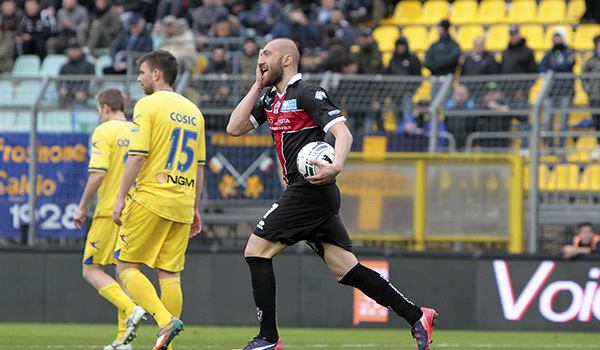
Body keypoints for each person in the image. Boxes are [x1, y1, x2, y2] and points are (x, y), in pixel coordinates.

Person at [226, 37, 438, 350]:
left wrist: (336, 165)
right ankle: (417, 315)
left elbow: (343, 132)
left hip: (309, 190)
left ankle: (268, 338)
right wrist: (256, 86)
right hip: (313, 196)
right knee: (346, 269)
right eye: (259, 53)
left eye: (267, 54)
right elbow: (234, 128)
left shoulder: (307, 93)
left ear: (287, 60)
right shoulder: (270, 97)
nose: (260, 58)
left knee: (256, 251)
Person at [112, 50, 205, 350]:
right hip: (182, 202)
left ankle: (165, 321)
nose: (138, 79)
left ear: (156, 74)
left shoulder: (148, 104)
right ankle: (168, 345)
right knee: (169, 274)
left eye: (141, 72)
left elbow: (138, 154)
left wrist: (120, 197)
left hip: (152, 196)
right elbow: (199, 165)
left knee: (125, 266)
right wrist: (195, 208)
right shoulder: (194, 111)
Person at [73, 88, 147, 350]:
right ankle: (122, 340)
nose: (98, 114)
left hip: (108, 211)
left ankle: (130, 308)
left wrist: (82, 206)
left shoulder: (104, 131)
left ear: (104, 107)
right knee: (124, 272)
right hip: (136, 212)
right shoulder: (136, 129)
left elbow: (97, 173)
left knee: (91, 270)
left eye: (97, 109)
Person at [539, 26, 575, 148]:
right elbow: (541, 66)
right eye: (555, 36)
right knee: (548, 120)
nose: (557, 39)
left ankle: (561, 146)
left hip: (566, 91)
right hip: (551, 92)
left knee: (563, 121)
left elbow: (566, 65)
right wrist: (554, 66)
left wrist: (552, 67)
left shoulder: (570, 51)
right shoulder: (549, 53)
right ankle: (550, 146)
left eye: (559, 36)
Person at [424, 19, 461, 99]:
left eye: (440, 28)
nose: (438, 30)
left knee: (447, 106)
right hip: (435, 81)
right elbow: (427, 61)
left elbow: (452, 59)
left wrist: (437, 63)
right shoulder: (434, 46)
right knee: (434, 103)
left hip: (447, 80)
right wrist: (439, 64)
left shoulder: (453, 45)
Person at [57, 39, 95, 106]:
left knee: (81, 99)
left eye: (76, 49)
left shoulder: (89, 65)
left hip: (84, 92)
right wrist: (61, 89)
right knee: (61, 97)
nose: (74, 51)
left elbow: (92, 81)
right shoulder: (64, 67)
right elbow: (59, 81)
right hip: (68, 91)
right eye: (72, 49)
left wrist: (83, 91)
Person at [582, 35, 600, 134]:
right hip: (595, 96)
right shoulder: (591, 61)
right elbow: (584, 77)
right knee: (596, 121)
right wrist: (589, 89)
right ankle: (598, 144)